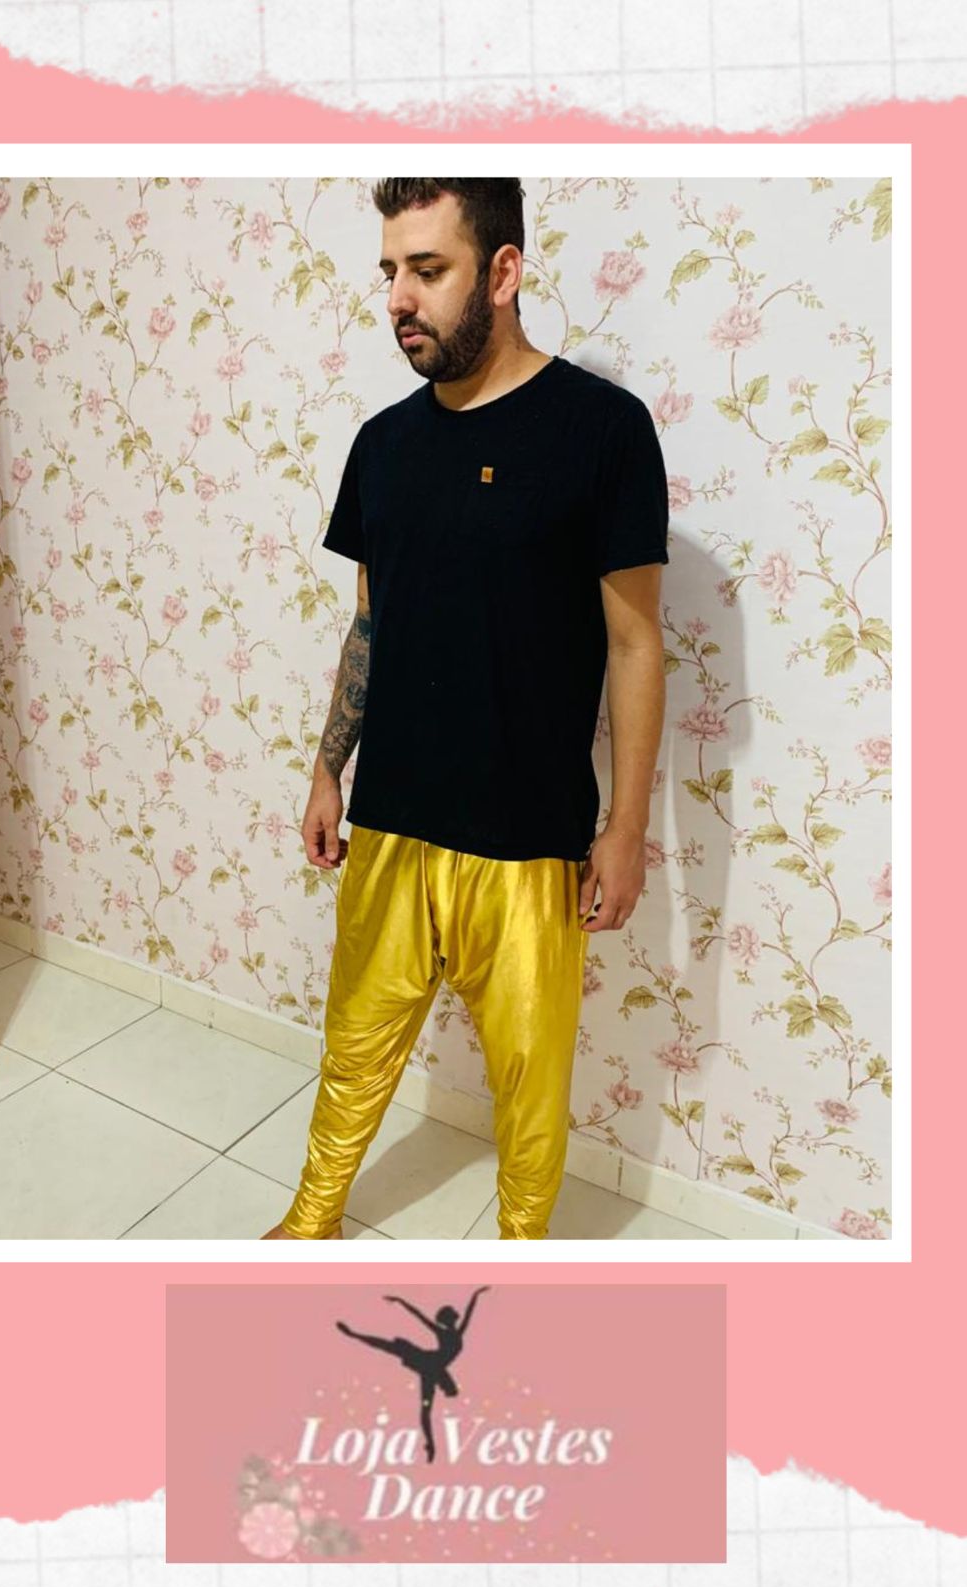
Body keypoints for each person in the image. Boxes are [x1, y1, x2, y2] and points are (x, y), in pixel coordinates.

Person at [263, 177, 668, 1243]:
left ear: (502, 271)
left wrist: (625, 827)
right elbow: (370, 621)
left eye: (428, 270)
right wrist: (327, 767)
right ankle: (312, 1218)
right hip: (392, 812)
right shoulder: (382, 444)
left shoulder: (603, 431)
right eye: (390, 272)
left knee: (530, 1082)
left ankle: (523, 1257)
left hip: (528, 835)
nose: (399, 298)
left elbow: (636, 643)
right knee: (355, 1044)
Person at [336, 1287, 490, 1462]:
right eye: (453, 1313)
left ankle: (430, 1444)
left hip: (435, 1369)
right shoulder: (443, 1332)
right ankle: (353, 1334)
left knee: (430, 1405)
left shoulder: (459, 1331)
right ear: (449, 1318)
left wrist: (475, 1295)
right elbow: (419, 1315)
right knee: (391, 1348)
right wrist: (402, 1302)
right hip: (428, 1362)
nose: (457, 1314)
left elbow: (469, 1312)